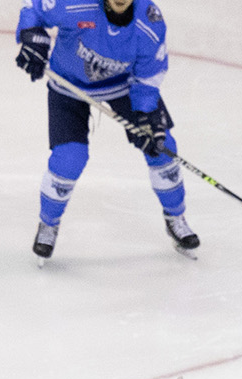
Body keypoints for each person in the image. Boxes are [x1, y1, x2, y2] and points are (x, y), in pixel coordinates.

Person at [14, 0, 196, 260]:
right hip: (68, 84)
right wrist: (32, 37)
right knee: (69, 159)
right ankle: (48, 223)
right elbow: (33, 8)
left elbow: (148, 76)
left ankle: (176, 216)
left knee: (163, 146)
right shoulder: (74, 3)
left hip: (124, 86)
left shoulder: (150, 21)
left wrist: (146, 113)